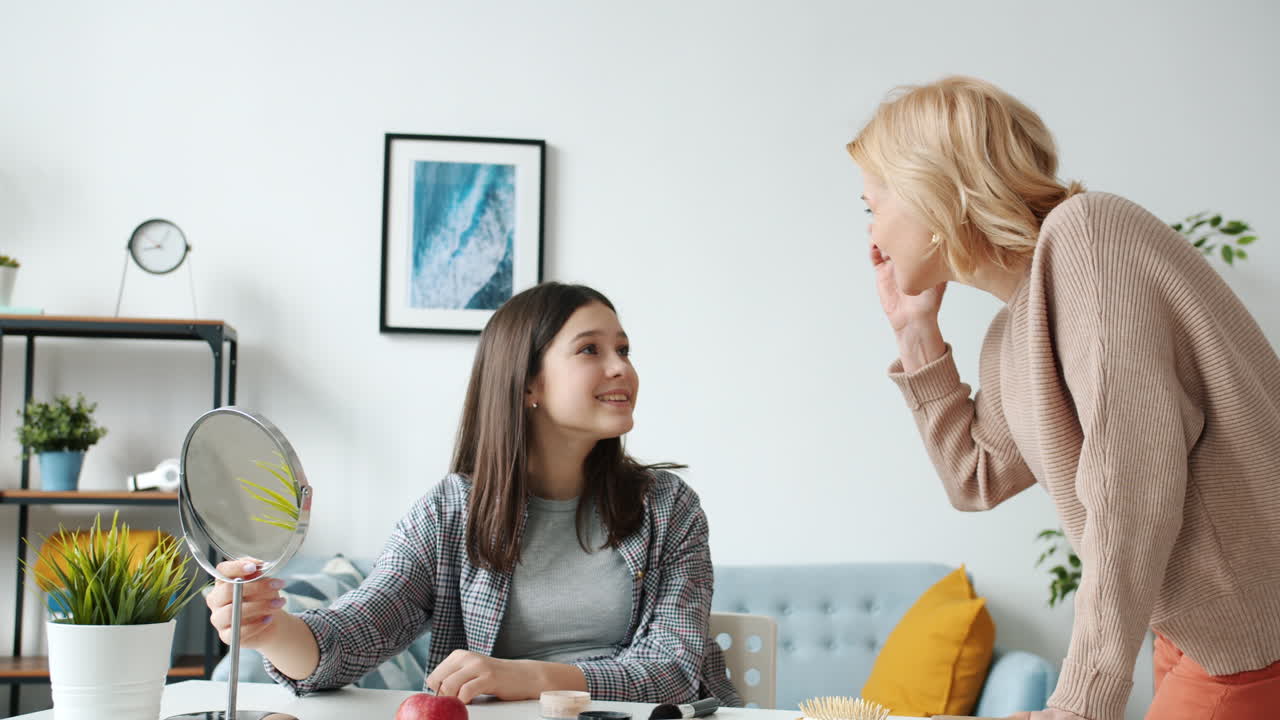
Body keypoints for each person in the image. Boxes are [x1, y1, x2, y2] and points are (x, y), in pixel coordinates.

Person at [848, 76, 1280, 720]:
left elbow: (1132, 490)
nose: (873, 236)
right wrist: (915, 332)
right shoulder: (1012, 333)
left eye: (872, 206)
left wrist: (1078, 707)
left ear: (932, 194)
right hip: (1194, 634)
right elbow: (975, 479)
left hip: (1250, 639)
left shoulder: (1088, 237)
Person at [204, 282, 740, 705]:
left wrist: (527, 677)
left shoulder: (668, 508)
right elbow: (358, 632)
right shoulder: (451, 510)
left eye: (623, 348)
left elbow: (672, 670)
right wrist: (269, 629)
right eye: (590, 350)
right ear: (528, 383)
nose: (621, 366)